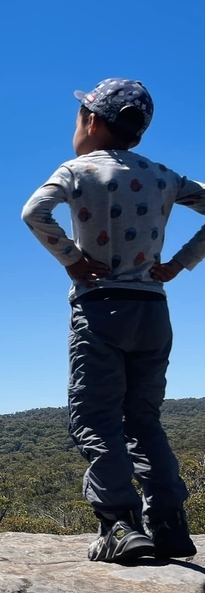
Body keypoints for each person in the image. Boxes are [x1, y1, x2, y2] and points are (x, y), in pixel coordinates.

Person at [22, 77, 205, 563]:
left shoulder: (78, 170)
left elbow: (34, 213)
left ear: (92, 120)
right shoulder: (163, 175)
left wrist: (72, 259)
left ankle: (120, 526)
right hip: (153, 310)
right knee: (143, 418)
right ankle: (168, 523)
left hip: (100, 307)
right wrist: (181, 262)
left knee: (97, 418)